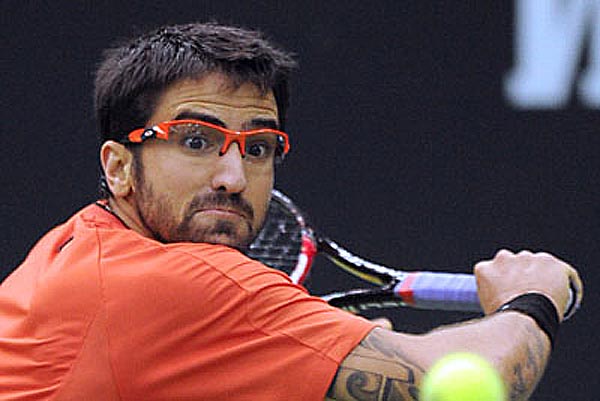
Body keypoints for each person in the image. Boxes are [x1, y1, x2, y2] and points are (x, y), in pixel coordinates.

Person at [0, 22, 583, 401]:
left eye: (257, 148)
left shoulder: (68, 248)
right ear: (119, 167)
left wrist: (316, 356)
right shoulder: (184, 283)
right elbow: (462, 386)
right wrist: (531, 300)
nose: (233, 178)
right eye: (196, 141)